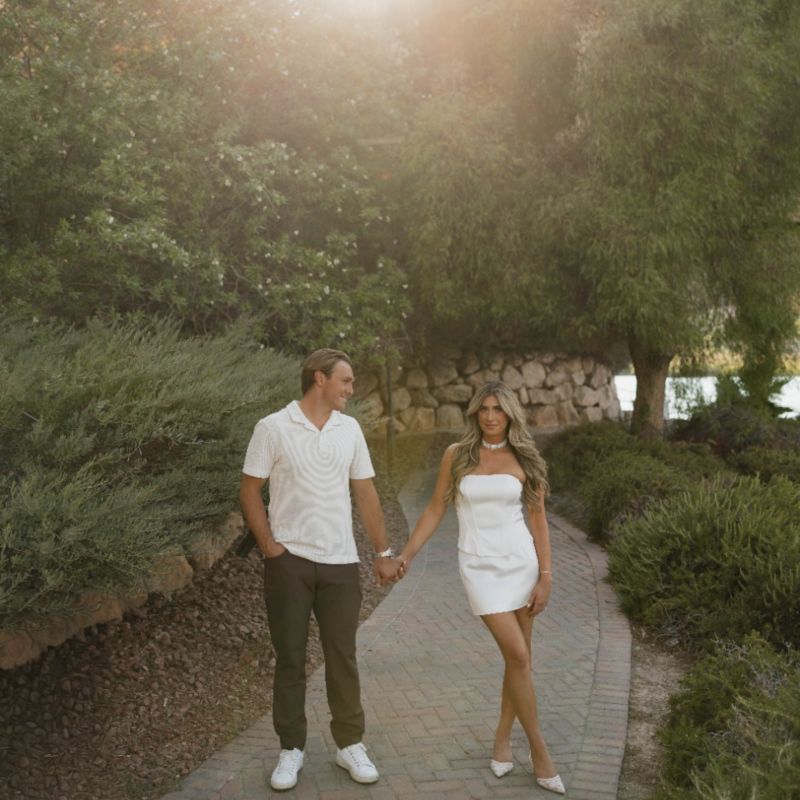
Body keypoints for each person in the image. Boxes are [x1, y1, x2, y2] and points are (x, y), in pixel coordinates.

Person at [239, 348, 402, 791]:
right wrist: (270, 547)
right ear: (319, 378)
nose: (351, 388)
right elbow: (250, 490)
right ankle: (291, 749)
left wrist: (383, 551)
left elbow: (365, 492)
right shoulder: (273, 427)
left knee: (342, 656)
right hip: (289, 564)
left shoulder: (349, 430)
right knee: (290, 658)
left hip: (341, 563)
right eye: (345, 380)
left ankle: (350, 744)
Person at [396, 380, 565, 795]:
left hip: (521, 563)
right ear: (475, 413)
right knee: (518, 656)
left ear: (510, 414)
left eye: (498, 409)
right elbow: (435, 508)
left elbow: (538, 520)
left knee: (518, 660)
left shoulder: (525, 457)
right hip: (478, 567)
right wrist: (407, 554)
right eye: (484, 409)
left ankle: (503, 739)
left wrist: (546, 576)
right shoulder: (456, 455)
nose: (490, 416)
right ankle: (540, 752)